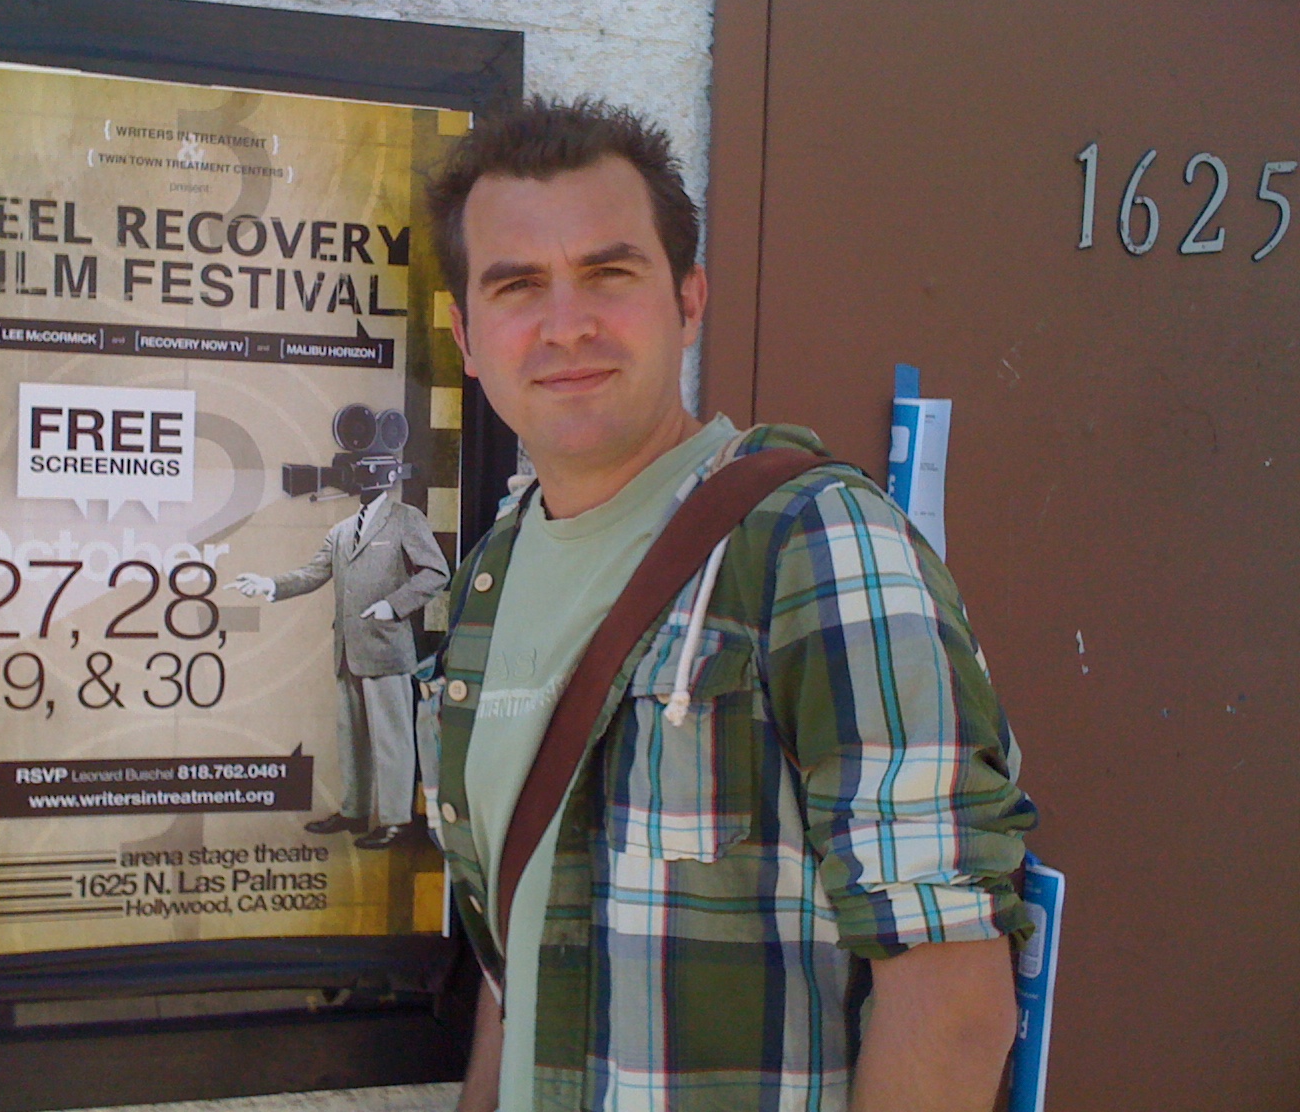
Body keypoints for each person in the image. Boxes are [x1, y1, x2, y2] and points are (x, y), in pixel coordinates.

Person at [418, 97, 1037, 1112]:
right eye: (517, 284)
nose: (565, 323)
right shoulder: (490, 575)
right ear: (467, 335)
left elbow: (951, 996)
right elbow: (517, 952)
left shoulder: (812, 544)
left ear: (688, 298)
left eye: (609, 274)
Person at [234, 486, 448, 849]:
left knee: (392, 739)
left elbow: (435, 572)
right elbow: (312, 573)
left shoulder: (404, 518)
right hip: (348, 648)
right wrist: (270, 584)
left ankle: (396, 820)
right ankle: (355, 811)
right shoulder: (343, 529)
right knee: (352, 737)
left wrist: (394, 605)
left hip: (387, 647)